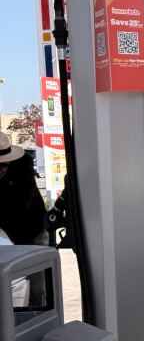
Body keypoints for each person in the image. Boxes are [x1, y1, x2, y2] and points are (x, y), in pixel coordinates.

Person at [0, 131, 48, 306]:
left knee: (37, 289)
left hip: (32, 234)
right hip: (6, 239)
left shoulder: (23, 164)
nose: (1, 170)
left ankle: (36, 321)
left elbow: (20, 204)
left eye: (4, 165)